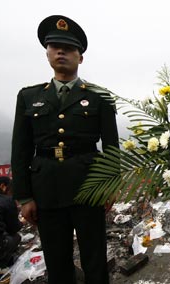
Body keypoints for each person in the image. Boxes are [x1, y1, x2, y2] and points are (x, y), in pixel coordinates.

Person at [11, 15, 119, 284]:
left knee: (95, 257)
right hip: (45, 189)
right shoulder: (29, 96)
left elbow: (112, 146)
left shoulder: (100, 97)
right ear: (47, 52)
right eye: (55, 46)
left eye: (69, 48)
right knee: (56, 260)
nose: (61, 52)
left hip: (89, 187)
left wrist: (108, 187)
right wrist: (24, 197)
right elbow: (21, 149)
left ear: (80, 57)